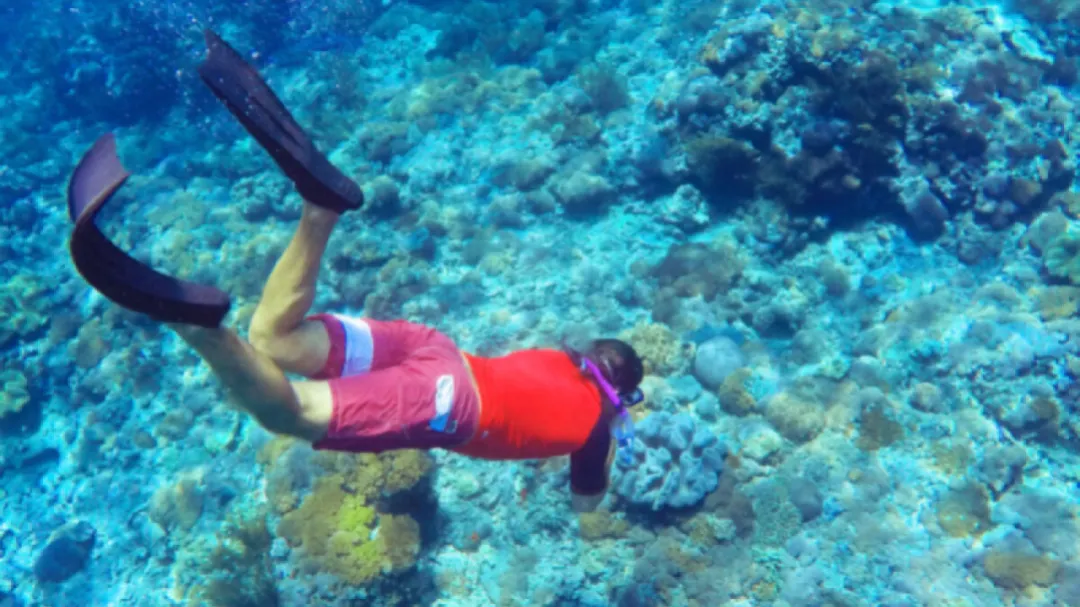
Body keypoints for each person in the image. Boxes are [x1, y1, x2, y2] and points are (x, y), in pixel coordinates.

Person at [66, 29, 645, 512]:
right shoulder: (596, 425)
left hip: (439, 352)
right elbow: (584, 506)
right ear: (619, 392)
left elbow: (564, 389)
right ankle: (199, 327)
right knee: (289, 413)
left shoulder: (556, 360)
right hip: (449, 402)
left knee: (273, 337)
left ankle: (321, 209)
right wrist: (607, 440)